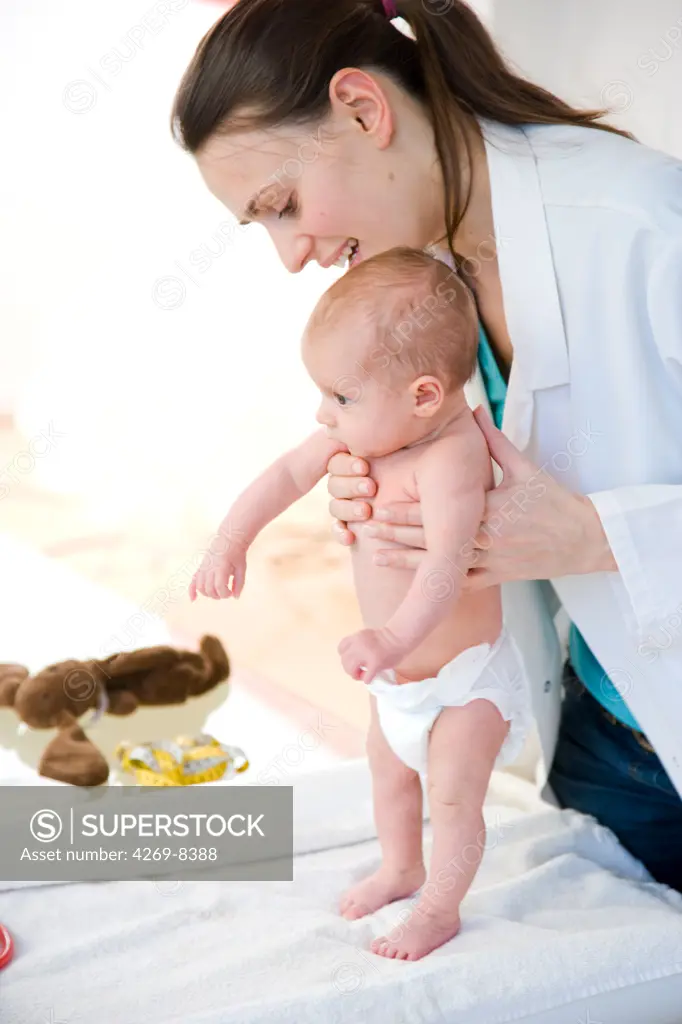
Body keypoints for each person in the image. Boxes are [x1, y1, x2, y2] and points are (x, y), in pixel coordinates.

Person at [171, 0, 682, 892]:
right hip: (602, 745)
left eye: (282, 206)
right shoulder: (420, 283)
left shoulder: (644, 223)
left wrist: (597, 538)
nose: (292, 255)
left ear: (364, 109)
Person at [189, 247, 532, 959]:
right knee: (388, 770)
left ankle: (441, 906)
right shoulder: (368, 432)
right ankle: (401, 868)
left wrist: (393, 641)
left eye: (340, 397)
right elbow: (285, 473)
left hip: (462, 679)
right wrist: (230, 541)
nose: (324, 412)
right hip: (396, 674)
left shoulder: (451, 457)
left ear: (424, 396)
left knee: (453, 795)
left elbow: (445, 567)